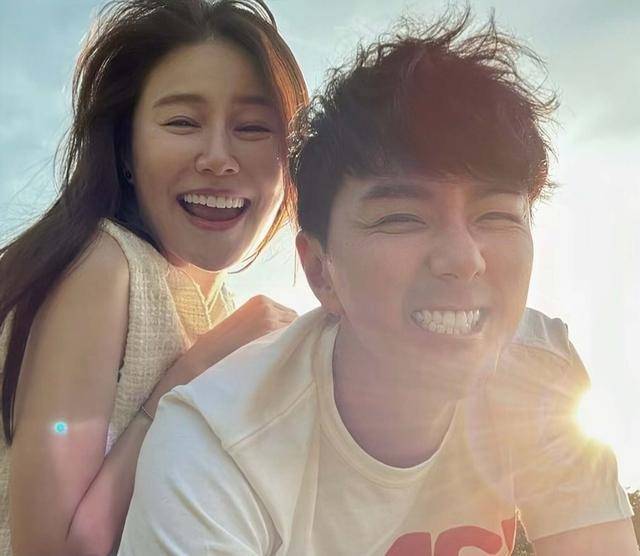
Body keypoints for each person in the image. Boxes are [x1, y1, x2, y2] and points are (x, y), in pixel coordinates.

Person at [118, 10, 637, 556]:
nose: (463, 260)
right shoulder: (216, 449)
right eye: (402, 218)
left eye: (497, 216)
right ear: (321, 271)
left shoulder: (539, 373)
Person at [0, 0, 307, 554]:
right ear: (126, 149)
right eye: (182, 122)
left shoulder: (220, 312)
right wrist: (188, 379)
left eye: (253, 127)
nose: (218, 158)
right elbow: (50, 547)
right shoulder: (105, 265)